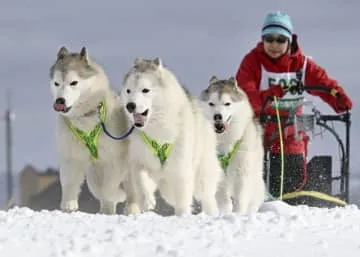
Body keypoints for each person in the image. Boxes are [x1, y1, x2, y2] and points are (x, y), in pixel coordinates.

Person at [235, 11, 353, 205]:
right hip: (258, 128)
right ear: (262, 39)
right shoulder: (252, 62)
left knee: (291, 170)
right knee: (253, 169)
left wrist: (338, 98)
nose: (274, 45)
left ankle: (289, 208)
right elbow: (243, 96)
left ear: (289, 41)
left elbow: (323, 83)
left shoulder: (302, 65)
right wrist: (269, 95)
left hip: (289, 130)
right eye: (269, 39)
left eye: (280, 40)